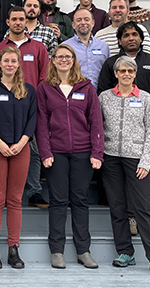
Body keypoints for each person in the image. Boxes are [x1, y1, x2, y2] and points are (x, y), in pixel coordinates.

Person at [99, 56, 150, 276]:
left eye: (130, 71)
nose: (126, 74)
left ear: (135, 73)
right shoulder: (104, 97)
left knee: (143, 209)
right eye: (122, 71)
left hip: (137, 159)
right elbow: (98, 127)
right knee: (117, 207)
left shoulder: (146, 98)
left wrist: (146, 162)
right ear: (116, 74)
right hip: (111, 158)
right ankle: (125, 252)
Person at [36, 44, 104, 270]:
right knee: (57, 201)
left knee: (79, 201)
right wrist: (45, 152)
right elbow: (41, 124)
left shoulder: (87, 87)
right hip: (55, 153)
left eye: (68, 56)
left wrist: (97, 152)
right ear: (53, 60)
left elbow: (96, 122)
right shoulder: (44, 88)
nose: (64, 60)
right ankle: (57, 251)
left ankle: (83, 250)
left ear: (74, 60)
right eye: (59, 57)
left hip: (83, 153)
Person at [0, 47, 37, 269]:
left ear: (18, 64)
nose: (10, 64)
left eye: (14, 61)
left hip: (21, 149)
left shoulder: (28, 91)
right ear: (0, 63)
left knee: (15, 200)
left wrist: (22, 142)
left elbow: (32, 120)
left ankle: (13, 249)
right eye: (7, 60)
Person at [0, 6, 49, 209]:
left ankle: (33, 191)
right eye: (14, 19)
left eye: (21, 19)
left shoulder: (39, 48)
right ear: (8, 22)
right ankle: (1, 193)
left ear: (27, 21)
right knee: (2, 148)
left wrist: (37, 103)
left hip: (30, 106)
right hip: (2, 108)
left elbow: (44, 77)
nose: (18, 22)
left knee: (31, 150)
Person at [97, 21, 150, 95]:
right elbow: (103, 91)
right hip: (118, 105)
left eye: (134, 34)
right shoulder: (111, 63)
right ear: (120, 41)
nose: (131, 38)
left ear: (141, 39)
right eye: (126, 35)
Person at [63, 7, 110, 89]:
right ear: (73, 25)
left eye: (86, 19)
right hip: (75, 93)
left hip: (99, 93)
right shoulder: (65, 47)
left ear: (93, 23)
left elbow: (108, 72)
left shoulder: (104, 47)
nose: (83, 23)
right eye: (79, 20)